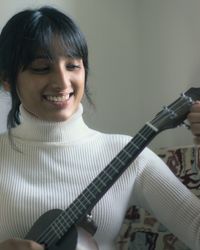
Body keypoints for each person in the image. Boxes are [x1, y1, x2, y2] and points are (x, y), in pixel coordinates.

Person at [0, 6, 200, 250]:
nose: (62, 82)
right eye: (42, 68)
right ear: (7, 79)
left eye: (73, 65)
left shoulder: (128, 153)